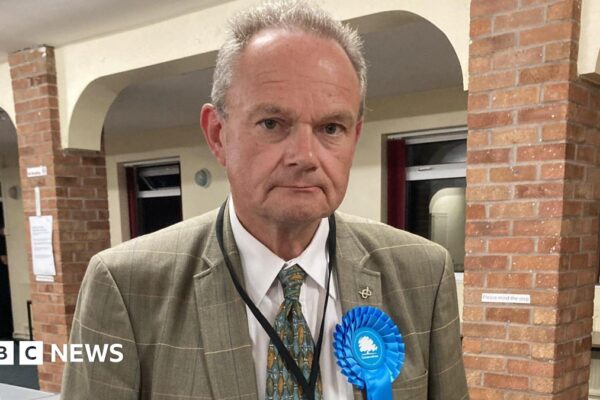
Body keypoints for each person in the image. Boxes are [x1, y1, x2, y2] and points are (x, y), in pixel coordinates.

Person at [61, 1, 468, 399]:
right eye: (272, 123)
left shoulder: (422, 275)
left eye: (331, 127)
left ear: (355, 136)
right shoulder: (127, 287)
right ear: (218, 134)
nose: (306, 157)